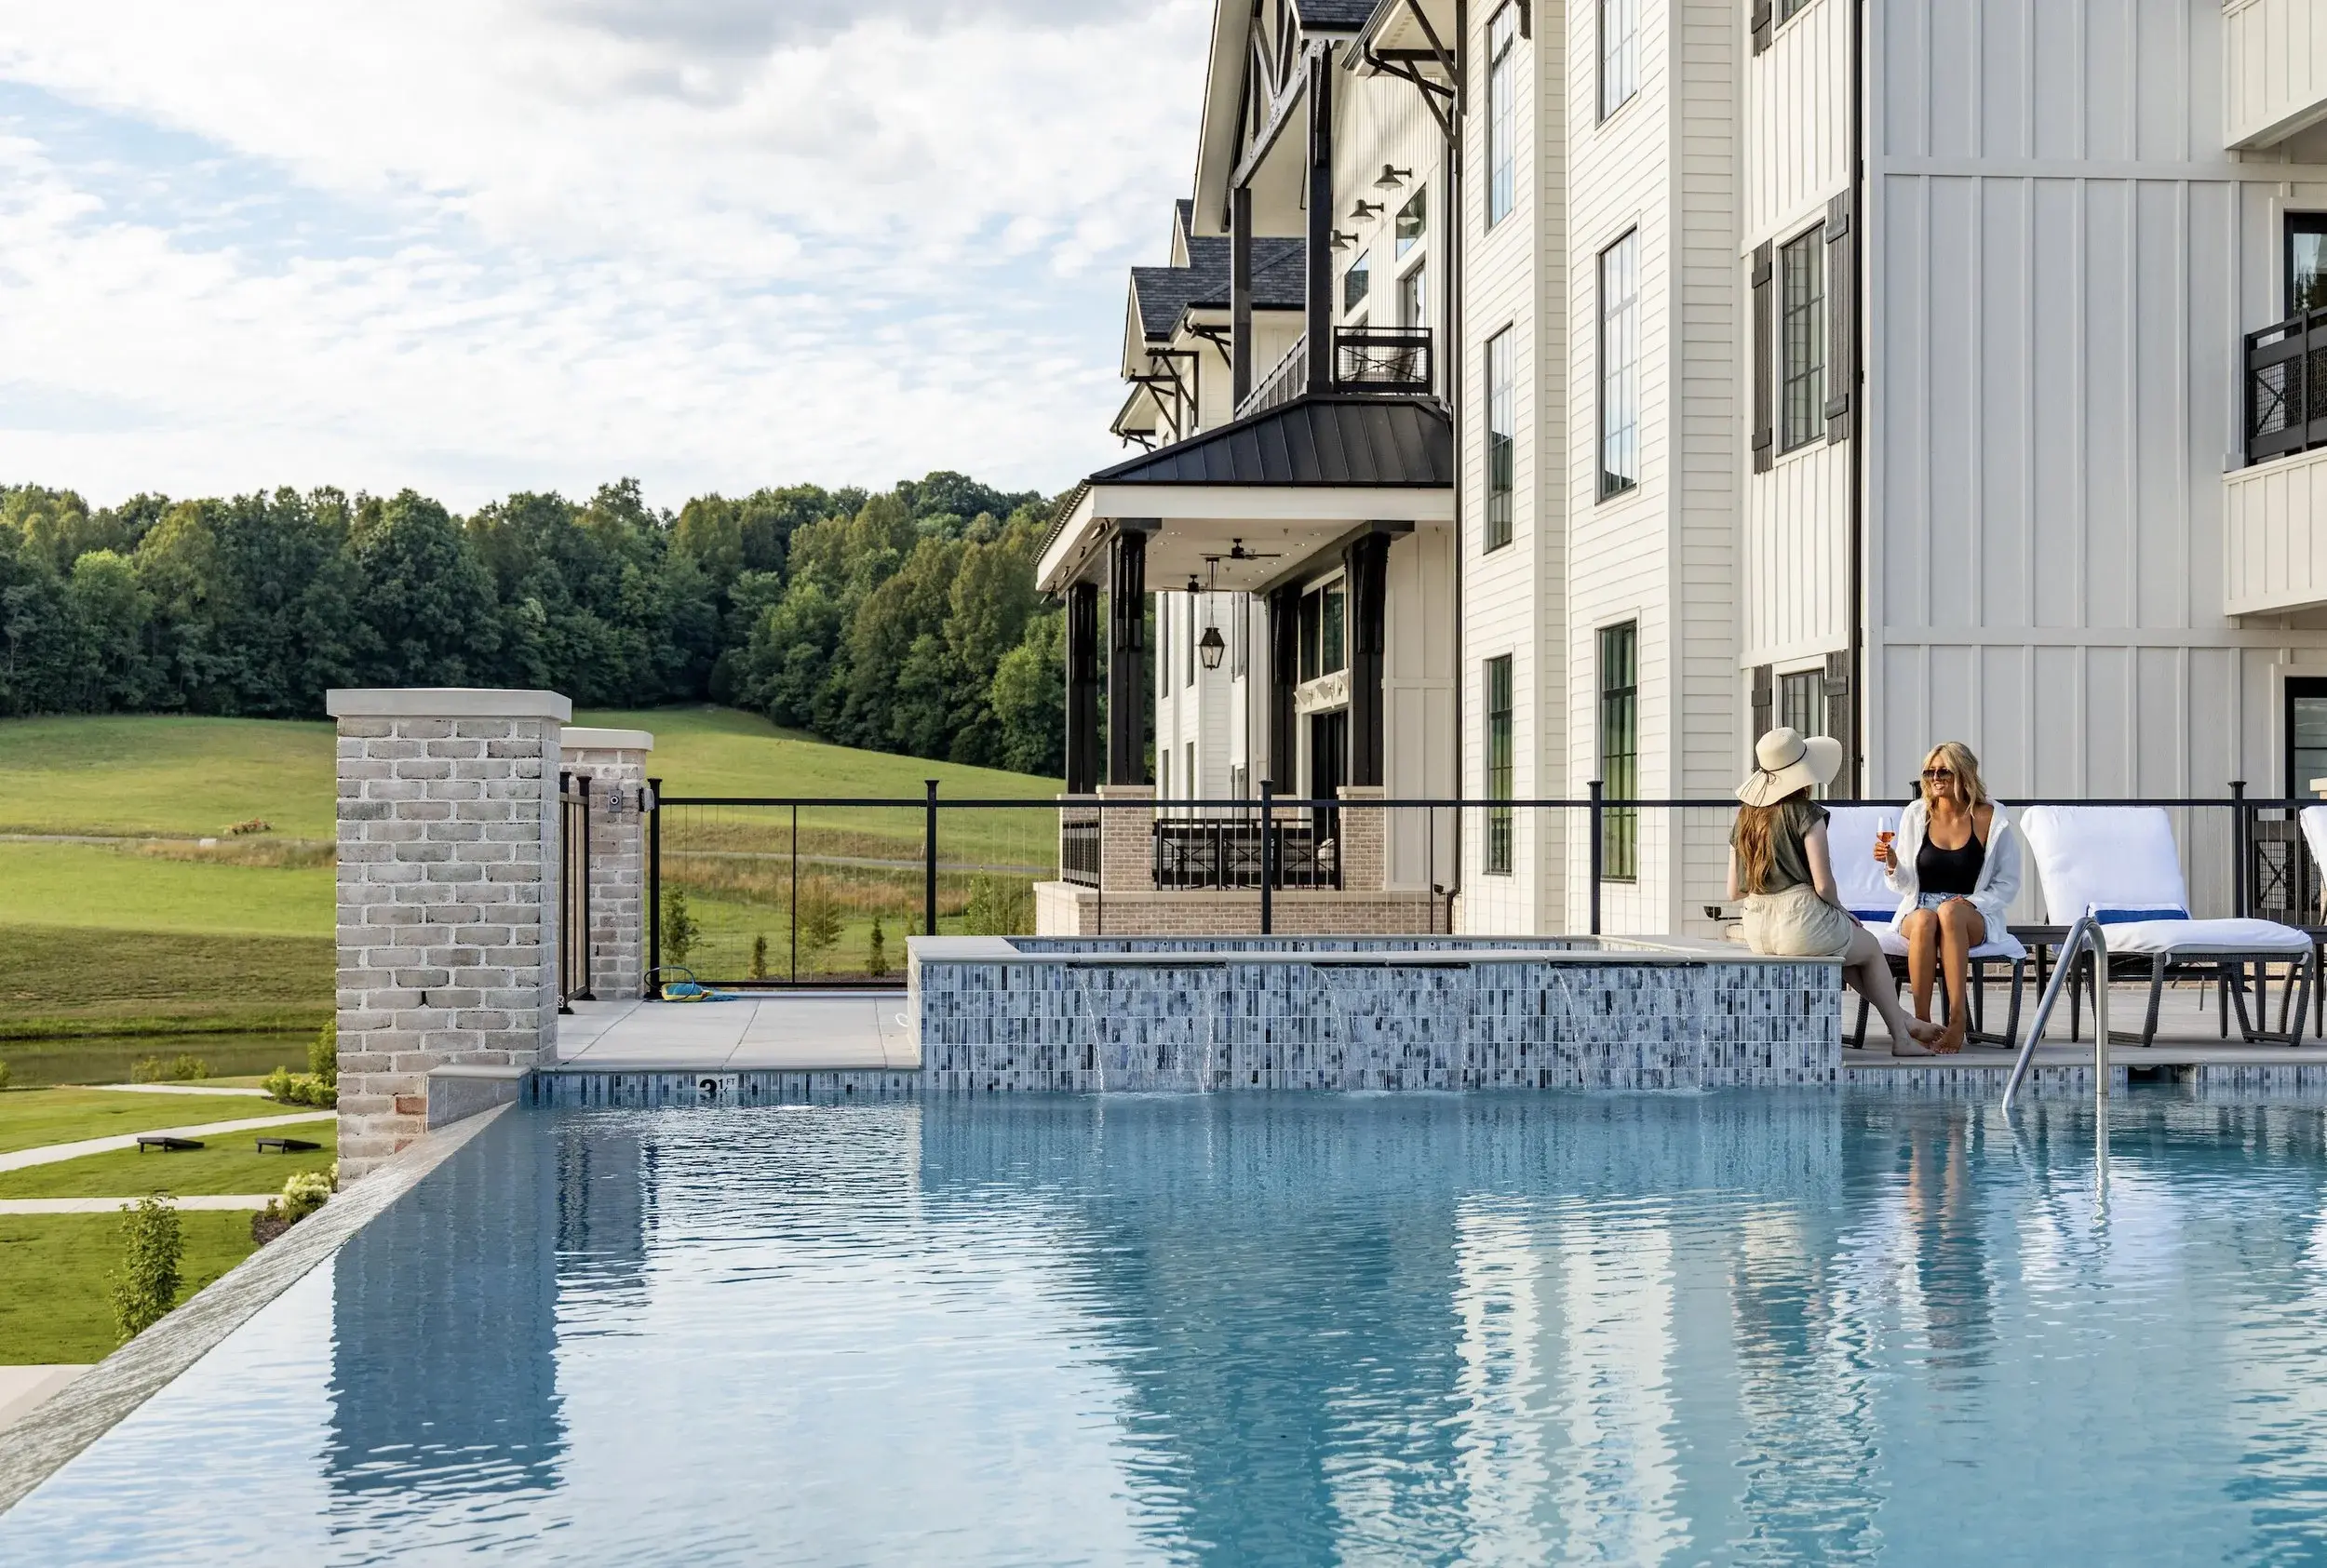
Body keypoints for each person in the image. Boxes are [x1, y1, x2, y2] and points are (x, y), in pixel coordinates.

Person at [1728, 727, 1949, 1055]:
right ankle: (1902, 1038)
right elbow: (1823, 884)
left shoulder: (1745, 817)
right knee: (1870, 947)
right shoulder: (1807, 814)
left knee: (1847, 955)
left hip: (1758, 928)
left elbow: (1733, 890)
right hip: (1800, 921)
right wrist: (1842, 912)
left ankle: (1905, 1021)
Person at [1876, 741, 2022, 1053]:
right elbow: (1904, 886)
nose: (1935, 778)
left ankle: (1957, 1022)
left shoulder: (1991, 819)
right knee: (1929, 917)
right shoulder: (1917, 814)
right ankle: (1923, 1022)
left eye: (1944, 771)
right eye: (1929, 772)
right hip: (1920, 908)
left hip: (1969, 911)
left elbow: (2007, 884)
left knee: (1948, 913)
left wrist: (1972, 902)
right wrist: (1891, 863)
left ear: (1964, 774)